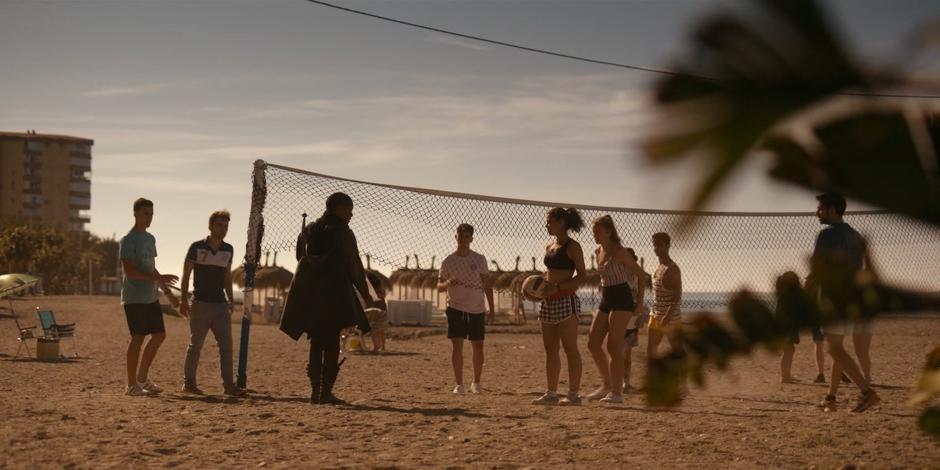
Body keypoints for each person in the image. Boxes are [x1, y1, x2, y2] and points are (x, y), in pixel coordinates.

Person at [280, 192, 374, 405]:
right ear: (339, 209)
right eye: (349, 209)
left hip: (310, 294)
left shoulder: (310, 228)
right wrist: (365, 293)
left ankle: (315, 391)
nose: (351, 214)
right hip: (334, 293)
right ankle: (325, 392)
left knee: (315, 341)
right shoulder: (344, 232)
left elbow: (299, 256)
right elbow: (353, 265)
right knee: (331, 342)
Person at [808, 193, 880, 412]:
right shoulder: (855, 235)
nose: (817, 212)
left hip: (834, 299)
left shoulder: (826, 235)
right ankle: (830, 398)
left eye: (820, 208)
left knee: (835, 349)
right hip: (852, 299)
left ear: (832, 209)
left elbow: (817, 270)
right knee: (837, 349)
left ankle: (867, 392)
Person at [179, 210, 246, 397]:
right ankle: (189, 384)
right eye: (219, 225)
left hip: (220, 304)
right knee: (195, 346)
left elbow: (227, 277)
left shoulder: (228, 249)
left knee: (226, 347)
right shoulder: (196, 247)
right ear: (210, 226)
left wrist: (231, 300)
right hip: (200, 302)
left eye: (226, 226)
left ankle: (228, 386)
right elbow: (186, 275)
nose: (223, 229)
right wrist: (184, 300)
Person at [119, 198, 179, 396]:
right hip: (134, 297)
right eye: (146, 213)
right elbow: (130, 272)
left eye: (151, 214)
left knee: (159, 335)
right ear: (135, 214)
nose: (149, 217)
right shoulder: (128, 240)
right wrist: (158, 277)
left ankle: (142, 379)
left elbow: (152, 268)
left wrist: (168, 293)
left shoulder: (150, 239)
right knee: (137, 338)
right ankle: (130, 385)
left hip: (151, 296)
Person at [584, 216, 647, 404]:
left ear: (609, 231)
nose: (594, 234)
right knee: (593, 343)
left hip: (622, 299)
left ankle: (617, 393)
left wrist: (639, 304)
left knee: (613, 346)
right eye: (593, 231)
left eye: (598, 231)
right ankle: (607, 384)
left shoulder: (620, 252)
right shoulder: (598, 251)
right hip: (606, 298)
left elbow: (640, 275)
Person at [531, 208, 587, 406]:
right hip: (548, 302)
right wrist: (539, 287)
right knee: (550, 349)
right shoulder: (549, 246)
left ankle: (573, 395)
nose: (546, 225)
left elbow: (582, 276)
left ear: (562, 222)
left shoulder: (573, 247)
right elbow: (550, 273)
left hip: (566, 301)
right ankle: (551, 392)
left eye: (550, 221)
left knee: (570, 348)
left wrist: (559, 287)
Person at [437, 223, 496, 395]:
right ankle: (459, 385)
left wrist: (491, 310)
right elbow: (439, 286)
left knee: (478, 346)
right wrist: (448, 283)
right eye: (460, 235)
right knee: (457, 346)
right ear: (456, 237)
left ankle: (476, 383)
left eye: (466, 236)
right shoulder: (447, 261)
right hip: (455, 308)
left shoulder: (479, 259)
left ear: (471, 238)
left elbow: (487, 285)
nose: (462, 238)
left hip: (477, 309)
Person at [647, 232, 682, 359]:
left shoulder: (672, 269)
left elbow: (677, 294)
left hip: (670, 318)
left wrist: (668, 315)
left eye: (659, 245)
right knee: (651, 351)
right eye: (654, 245)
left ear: (667, 246)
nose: (656, 248)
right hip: (656, 314)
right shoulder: (659, 266)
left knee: (677, 351)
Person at [621, 247, 648, 393]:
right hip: (620, 315)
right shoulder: (618, 275)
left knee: (627, 353)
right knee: (618, 351)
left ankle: (626, 382)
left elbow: (639, 298)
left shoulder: (636, 277)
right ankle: (619, 382)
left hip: (631, 316)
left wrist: (640, 314)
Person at [365, 272, 389, 353]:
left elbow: (383, 296)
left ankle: (383, 346)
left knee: (381, 330)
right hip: (374, 308)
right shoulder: (370, 288)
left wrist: (376, 295)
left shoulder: (379, 287)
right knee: (377, 329)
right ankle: (380, 346)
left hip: (381, 308)